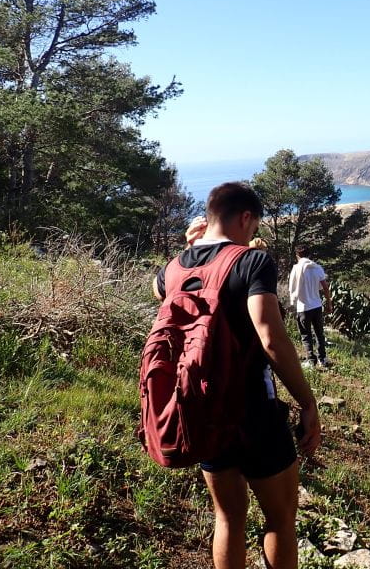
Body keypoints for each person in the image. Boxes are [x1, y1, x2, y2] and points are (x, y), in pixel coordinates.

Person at [152, 182, 321, 569]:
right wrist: (307, 402)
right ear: (246, 217)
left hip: (201, 408)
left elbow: (158, 288)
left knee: (227, 517)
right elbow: (270, 336)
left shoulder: (176, 267)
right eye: (254, 225)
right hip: (253, 410)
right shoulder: (251, 261)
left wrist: (188, 245)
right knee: (280, 517)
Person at [287, 246, 333, 369]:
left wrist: (293, 301)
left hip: (303, 307)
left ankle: (311, 360)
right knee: (319, 333)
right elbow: (325, 288)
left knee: (306, 335)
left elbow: (292, 288)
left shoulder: (296, 269)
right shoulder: (317, 268)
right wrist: (329, 303)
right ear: (309, 255)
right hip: (316, 306)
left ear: (297, 255)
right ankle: (322, 359)